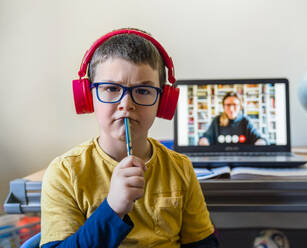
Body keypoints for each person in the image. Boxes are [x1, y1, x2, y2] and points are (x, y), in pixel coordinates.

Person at [40, 29, 219, 248]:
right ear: (88, 97)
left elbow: (203, 244)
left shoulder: (179, 168)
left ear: (163, 102)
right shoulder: (65, 172)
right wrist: (113, 208)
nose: (126, 104)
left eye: (143, 90)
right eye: (111, 88)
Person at [199, 92, 267, 146]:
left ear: (240, 106)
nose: (231, 108)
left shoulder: (245, 120)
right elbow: (207, 137)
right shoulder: (217, 120)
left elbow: (258, 138)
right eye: (228, 105)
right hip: (220, 159)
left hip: (243, 159)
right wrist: (204, 140)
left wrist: (261, 142)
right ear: (223, 106)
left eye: (234, 105)